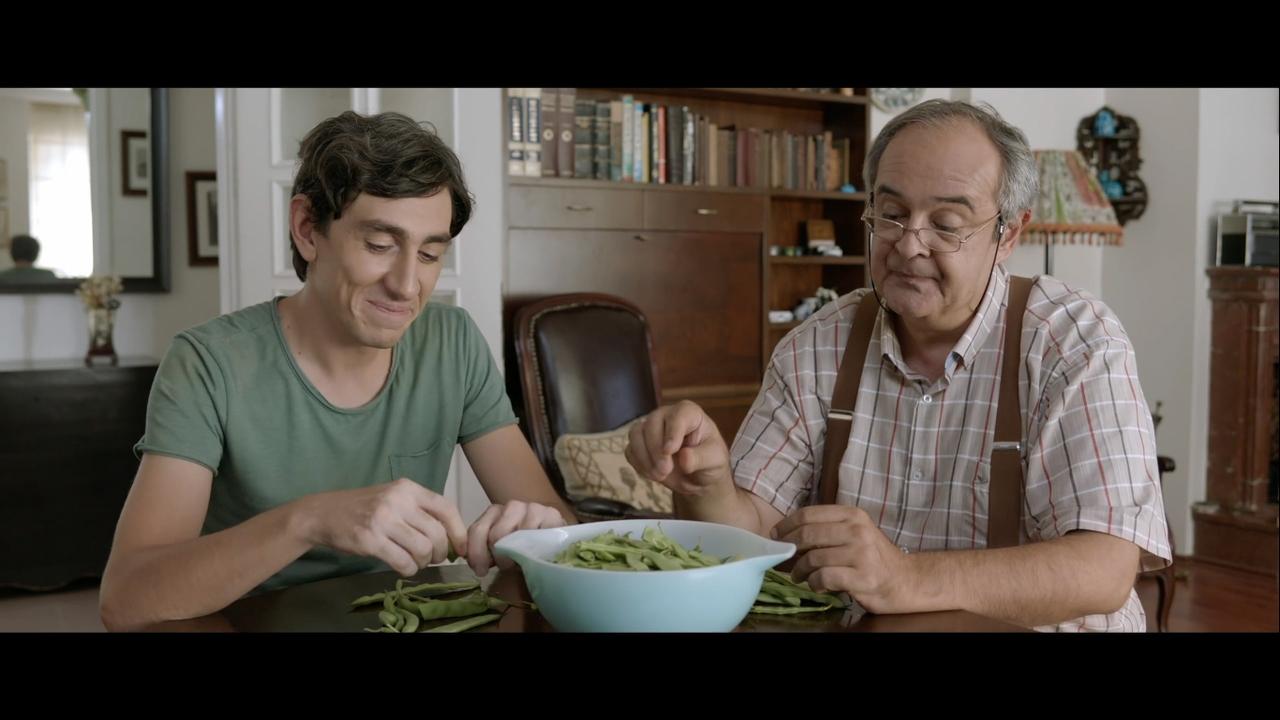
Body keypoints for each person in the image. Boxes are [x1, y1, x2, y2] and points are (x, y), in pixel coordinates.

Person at [625, 100, 1171, 632]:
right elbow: (755, 534)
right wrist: (709, 483)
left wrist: (907, 577)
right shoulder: (817, 345)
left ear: (1009, 233)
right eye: (891, 214)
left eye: (947, 223)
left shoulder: (1073, 342)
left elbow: (1104, 568)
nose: (909, 245)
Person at [100, 112, 573, 631]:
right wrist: (309, 521)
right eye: (379, 245)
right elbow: (126, 598)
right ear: (308, 230)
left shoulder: (453, 341)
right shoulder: (207, 362)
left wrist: (539, 530)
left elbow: (560, 528)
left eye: (431, 253)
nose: (407, 284)